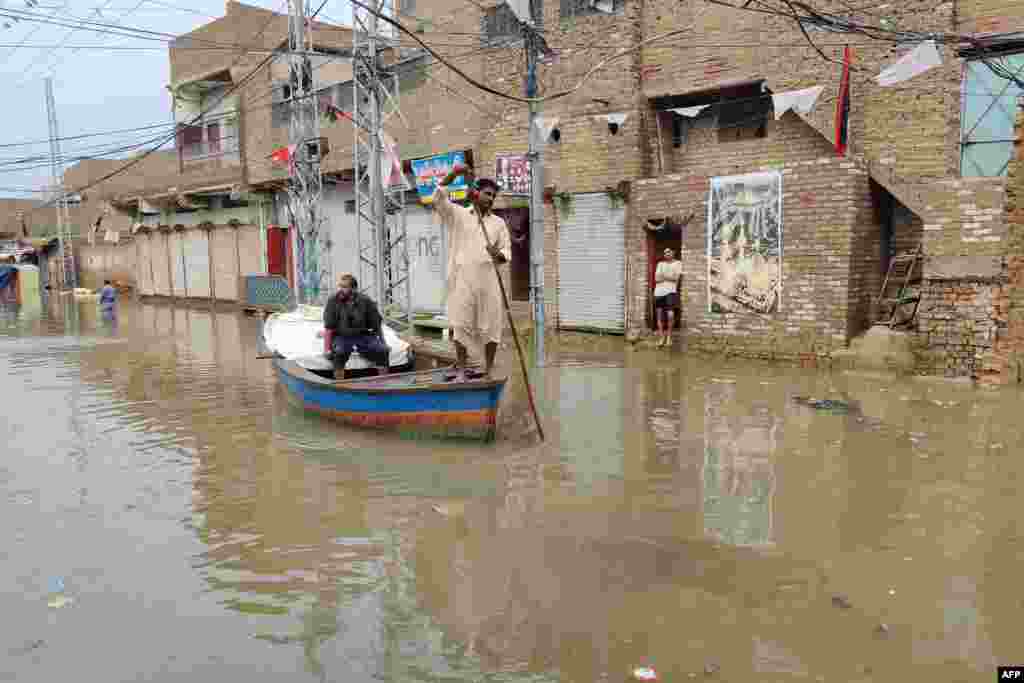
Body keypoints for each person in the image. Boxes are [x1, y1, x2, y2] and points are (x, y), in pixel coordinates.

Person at [433, 163, 511, 380]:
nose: (491, 199)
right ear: (475, 194)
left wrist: (497, 254)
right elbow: (438, 198)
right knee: (460, 323)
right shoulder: (458, 214)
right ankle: (460, 366)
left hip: (488, 280)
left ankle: (488, 368)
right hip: (462, 278)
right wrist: (453, 175)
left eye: (493, 196)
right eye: (487, 194)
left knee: (492, 325)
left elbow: (506, 252)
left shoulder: (498, 223)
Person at [322, 274, 391, 378]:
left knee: (382, 351)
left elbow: (376, 324)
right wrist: (326, 349)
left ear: (354, 288)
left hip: (362, 335)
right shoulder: (333, 300)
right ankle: (340, 385)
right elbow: (328, 327)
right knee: (340, 352)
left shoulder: (365, 300)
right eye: (340, 286)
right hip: (342, 335)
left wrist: (383, 342)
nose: (341, 289)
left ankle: (384, 381)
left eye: (344, 287)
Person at [653, 247, 683, 348]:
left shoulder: (678, 263)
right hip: (658, 292)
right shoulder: (660, 264)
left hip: (670, 292)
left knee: (670, 315)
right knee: (659, 316)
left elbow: (676, 278)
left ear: (673, 253)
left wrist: (664, 276)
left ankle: (669, 336)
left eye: (669, 252)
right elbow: (656, 279)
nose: (667, 254)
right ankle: (662, 337)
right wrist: (669, 276)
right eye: (665, 252)